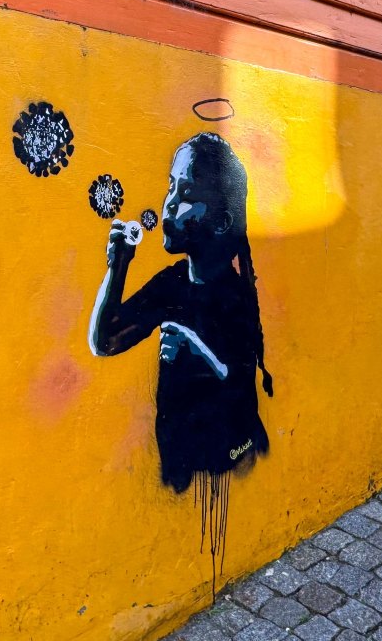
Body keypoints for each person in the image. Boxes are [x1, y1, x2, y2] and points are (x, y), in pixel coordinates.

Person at [88, 132, 273, 495]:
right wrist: (118, 266)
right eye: (171, 187)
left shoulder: (235, 295)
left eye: (186, 194)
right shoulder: (171, 284)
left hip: (227, 461)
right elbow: (105, 341)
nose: (169, 204)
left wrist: (195, 351)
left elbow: (239, 386)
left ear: (221, 221)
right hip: (180, 466)